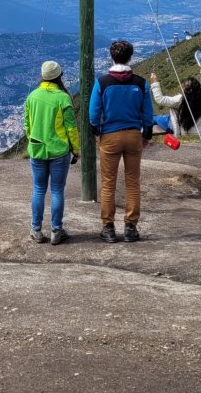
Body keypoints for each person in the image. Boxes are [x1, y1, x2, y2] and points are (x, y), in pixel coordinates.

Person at [88, 40, 153, 243]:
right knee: (132, 182)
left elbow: (93, 113)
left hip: (110, 136)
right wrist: (146, 135)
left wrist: (97, 132)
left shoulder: (102, 82)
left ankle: (108, 228)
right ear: (130, 57)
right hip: (133, 135)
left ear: (112, 57)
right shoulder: (140, 83)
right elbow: (148, 113)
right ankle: (130, 227)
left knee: (108, 183)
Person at [23, 60, 79, 245]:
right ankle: (56, 230)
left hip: (37, 149)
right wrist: (76, 149)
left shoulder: (32, 96)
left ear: (42, 76)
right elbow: (71, 128)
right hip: (59, 151)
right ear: (59, 76)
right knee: (57, 191)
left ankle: (36, 229)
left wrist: (34, 140)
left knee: (38, 189)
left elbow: (27, 125)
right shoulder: (63, 98)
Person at [149, 65, 201, 136]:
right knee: (157, 117)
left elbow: (160, 99)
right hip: (195, 126)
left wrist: (154, 82)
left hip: (176, 125)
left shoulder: (180, 100)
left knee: (156, 118)